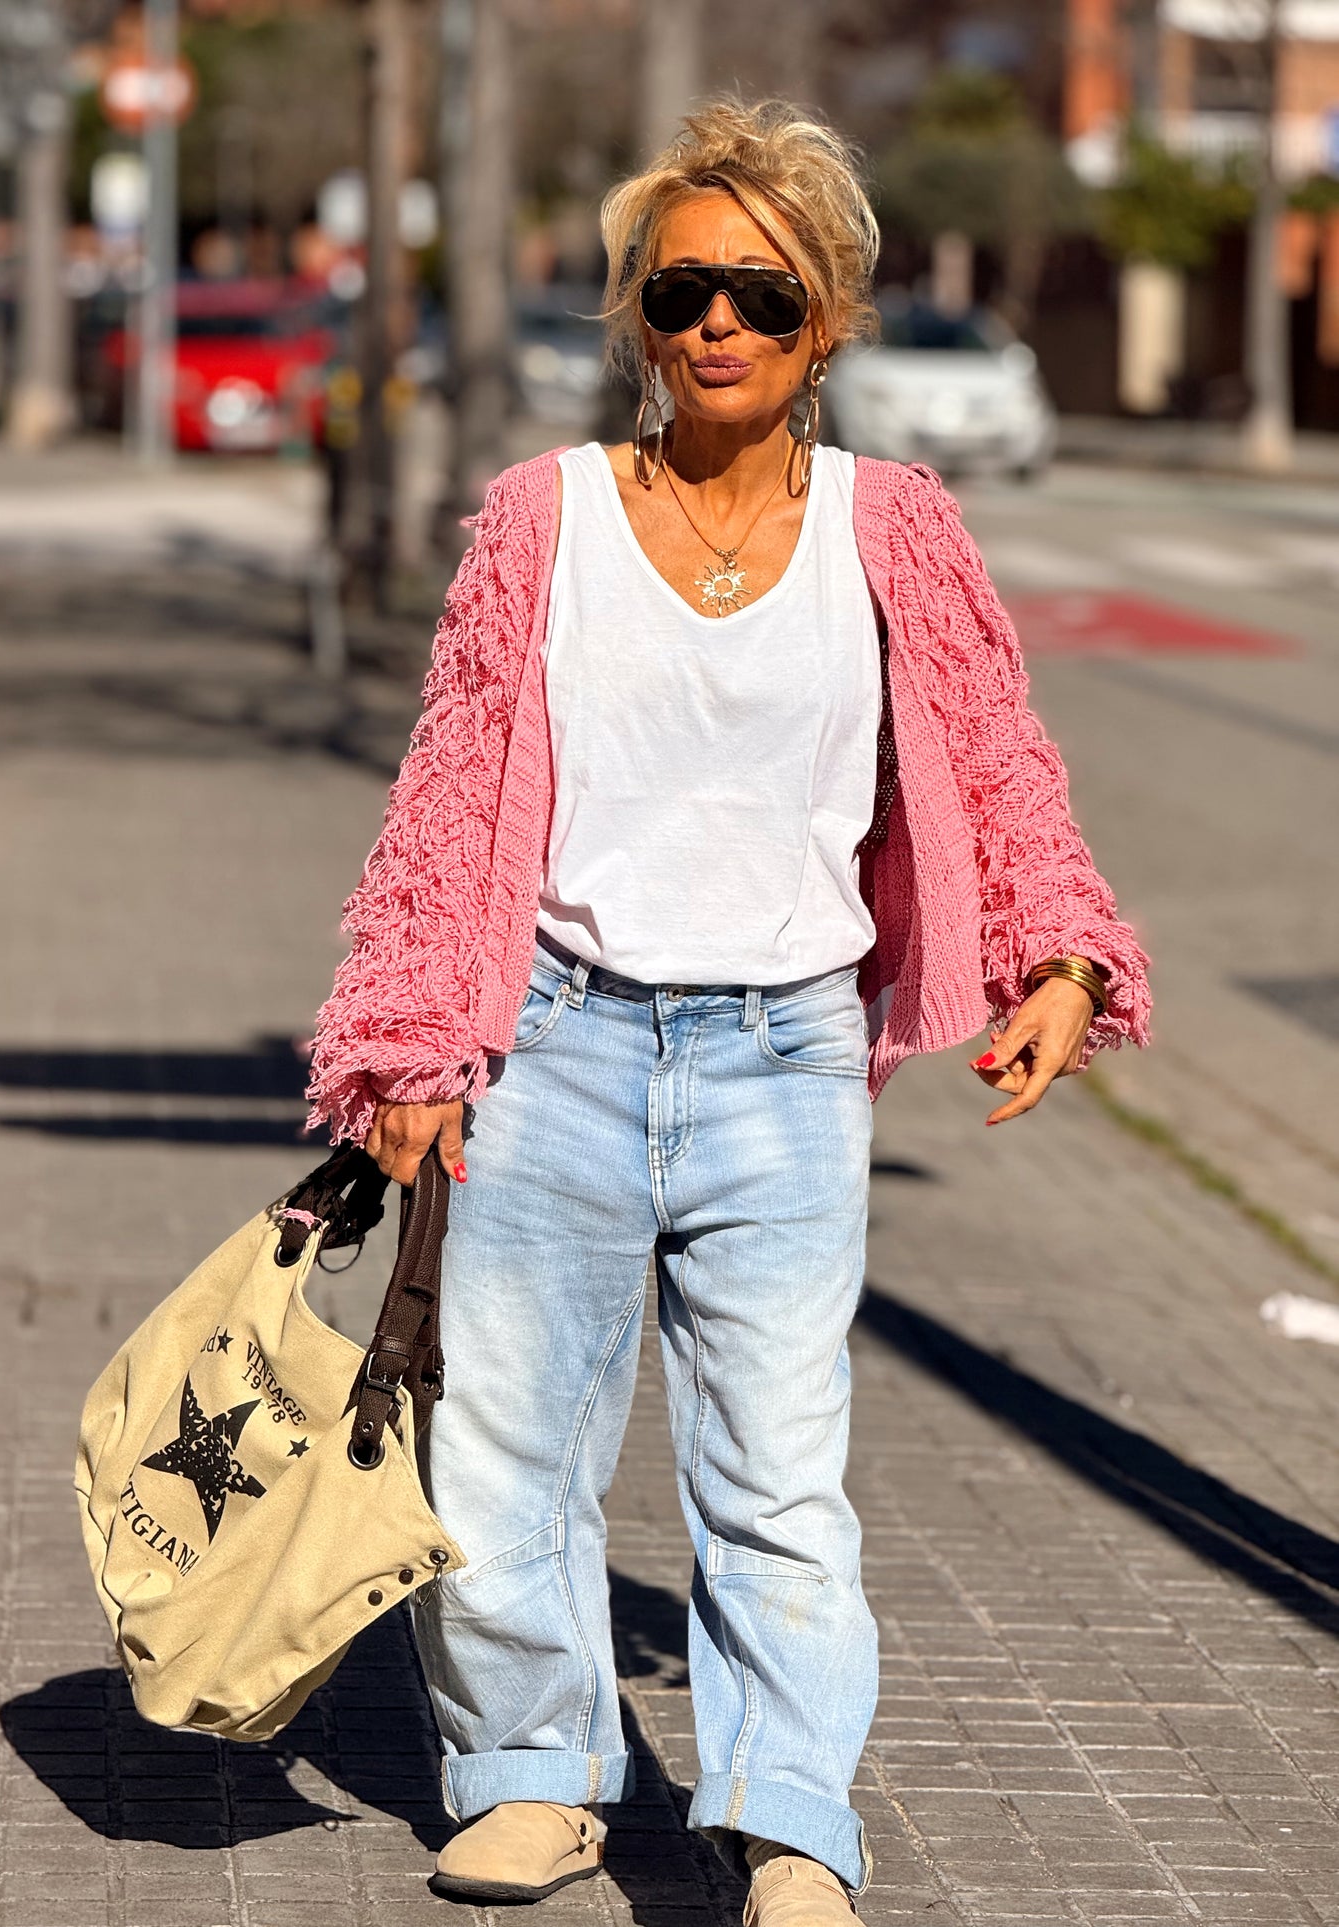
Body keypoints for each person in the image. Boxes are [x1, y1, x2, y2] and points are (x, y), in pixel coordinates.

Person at [308, 98, 1150, 1927]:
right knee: (507, 1447)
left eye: (759, 297)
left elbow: (1000, 762)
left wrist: (1058, 952)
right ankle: (530, 1776)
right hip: (555, 1038)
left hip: (781, 1058)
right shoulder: (542, 523)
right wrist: (407, 1043)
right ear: (632, 313)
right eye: (678, 289)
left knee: (776, 1477)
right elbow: (449, 792)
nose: (714, 326)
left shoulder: (894, 529)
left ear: (826, 319)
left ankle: (784, 1818)